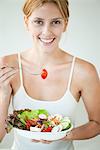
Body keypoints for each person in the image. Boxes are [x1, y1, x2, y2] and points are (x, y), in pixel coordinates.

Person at [0, 0, 100, 149]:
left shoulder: (84, 71)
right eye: (38, 22)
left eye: (56, 22)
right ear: (26, 22)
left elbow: (97, 124)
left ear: (65, 24)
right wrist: (3, 95)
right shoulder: (7, 65)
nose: (46, 32)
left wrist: (64, 134)